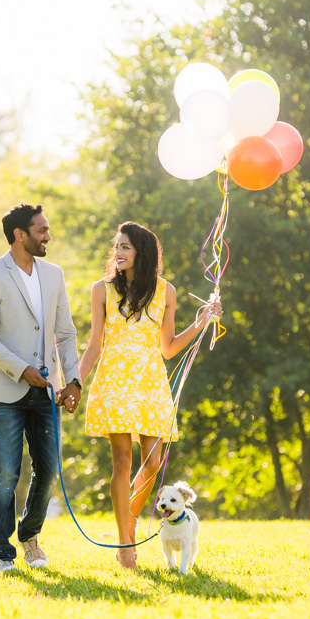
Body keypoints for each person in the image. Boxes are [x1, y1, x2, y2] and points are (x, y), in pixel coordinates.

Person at [78, 221, 222, 570]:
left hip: (151, 384)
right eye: (117, 247)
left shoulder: (165, 291)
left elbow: (169, 348)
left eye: (125, 246)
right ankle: (125, 543)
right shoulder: (102, 290)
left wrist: (201, 321)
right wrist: (74, 384)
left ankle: (129, 516)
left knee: (154, 464)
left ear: (142, 252)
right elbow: (94, 345)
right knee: (122, 463)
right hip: (114, 382)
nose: (118, 252)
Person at [0, 203, 83, 574]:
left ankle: (29, 534)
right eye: (42, 230)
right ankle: (1, 552)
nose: (48, 236)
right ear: (20, 234)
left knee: (49, 470)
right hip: (6, 391)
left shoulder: (54, 274)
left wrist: (74, 380)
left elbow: (65, 333)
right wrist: (22, 370)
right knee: (6, 473)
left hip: (48, 391)